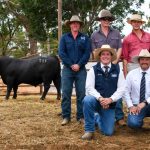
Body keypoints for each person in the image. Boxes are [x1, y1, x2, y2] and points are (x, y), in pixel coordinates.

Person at [81, 45, 125, 140]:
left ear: (111, 56)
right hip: (97, 102)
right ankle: (89, 130)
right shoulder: (93, 69)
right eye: (103, 54)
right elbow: (89, 88)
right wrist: (100, 98)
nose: (105, 56)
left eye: (107, 54)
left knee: (108, 132)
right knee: (87, 99)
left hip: (110, 104)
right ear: (100, 56)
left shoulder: (118, 70)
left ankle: (97, 117)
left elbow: (121, 89)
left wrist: (110, 99)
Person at [91, 9, 125, 126]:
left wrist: (114, 61)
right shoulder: (94, 35)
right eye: (104, 19)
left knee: (117, 88)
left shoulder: (116, 33)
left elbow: (120, 48)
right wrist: (104, 62)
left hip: (114, 64)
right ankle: (99, 111)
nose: (106, 21)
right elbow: (95, 51)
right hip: (102, 65)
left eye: (108, 19)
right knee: (100, 87)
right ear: (100, 20)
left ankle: (119, 116)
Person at [58, 15, 91, 125]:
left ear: (80, 25)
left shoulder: (85, 38)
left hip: (81, 70)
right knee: (66, 93)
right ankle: (66, 116)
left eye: (77, 23)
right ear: (70, 25)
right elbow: (61, 53)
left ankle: (80, 116)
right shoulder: (64, 38)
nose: (75, 24)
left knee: (81, 94)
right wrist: (71, 64)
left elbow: (87, 53)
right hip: (67, 69)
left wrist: (79, 64)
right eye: (73, 23)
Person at [124, 49, 150, 129]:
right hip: (136, 106)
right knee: (133, 123)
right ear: (139, 61)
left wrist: (145, 103)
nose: (144, 61)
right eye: (142, 59)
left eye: (147, 59)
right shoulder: (131, 74)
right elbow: (126, 91)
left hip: (149, 104)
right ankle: (139, 120)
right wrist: (131, 106)